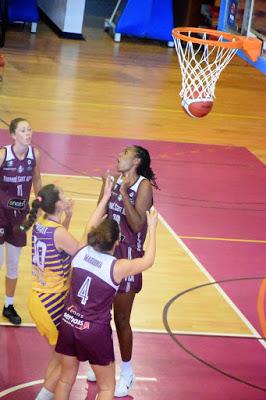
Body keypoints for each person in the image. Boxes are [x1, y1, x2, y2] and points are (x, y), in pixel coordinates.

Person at [19, 178, 113, 400]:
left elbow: (59, 244)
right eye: (63, 195)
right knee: (65, 363)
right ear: (58, 204)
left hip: (38, 299)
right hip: (50, 302)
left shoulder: (42, 223)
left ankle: (44, 395)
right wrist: (101, 209)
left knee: (57, 358)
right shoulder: (58, 232)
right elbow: (80, 251)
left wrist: (68, 217)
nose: (66, 196)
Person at [54, 207, 158, 400]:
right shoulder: (116, 267)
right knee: (106, 389)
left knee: (65, 380)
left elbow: (88, 227)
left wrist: (103, 199)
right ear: (117, 242)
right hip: (94, 331)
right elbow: (148, 260)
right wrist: (151, 228)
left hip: (69, 322)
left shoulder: (80, 250)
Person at [88, 145, 158, 397]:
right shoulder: (114, 178)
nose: (118, 155)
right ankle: (102, 360)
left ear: (136, 160)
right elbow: (100, 215)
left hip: (129, 258)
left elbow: (138, 224)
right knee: (99, 312)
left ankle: (127, 372)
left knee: (121, 319)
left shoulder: (144, 186)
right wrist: (106, 192)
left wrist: (125, 194)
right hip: (107, 254)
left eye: (125, 153)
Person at [0, 118, 42, 325]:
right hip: (0, 214)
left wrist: (41, 202)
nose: (28, 133)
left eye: (30, 129)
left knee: (13, 265)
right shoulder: (3, 154)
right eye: (23, 130)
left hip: (19, 217)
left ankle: (8, 305)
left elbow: (37, 181)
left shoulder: (35, 155)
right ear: (13, 135)